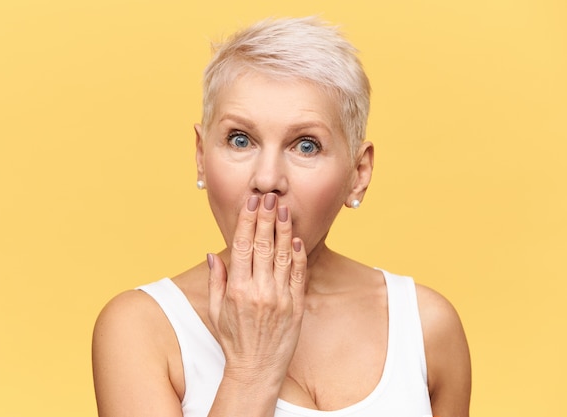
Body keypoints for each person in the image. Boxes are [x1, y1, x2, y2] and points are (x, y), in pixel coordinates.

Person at [92, 16, 471, 417]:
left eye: (305, 146)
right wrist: (251, 369)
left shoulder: (427, 327)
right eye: (240, 140)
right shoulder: (140, 331)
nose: (267, 179)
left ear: (358, 175)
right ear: (201, 157)